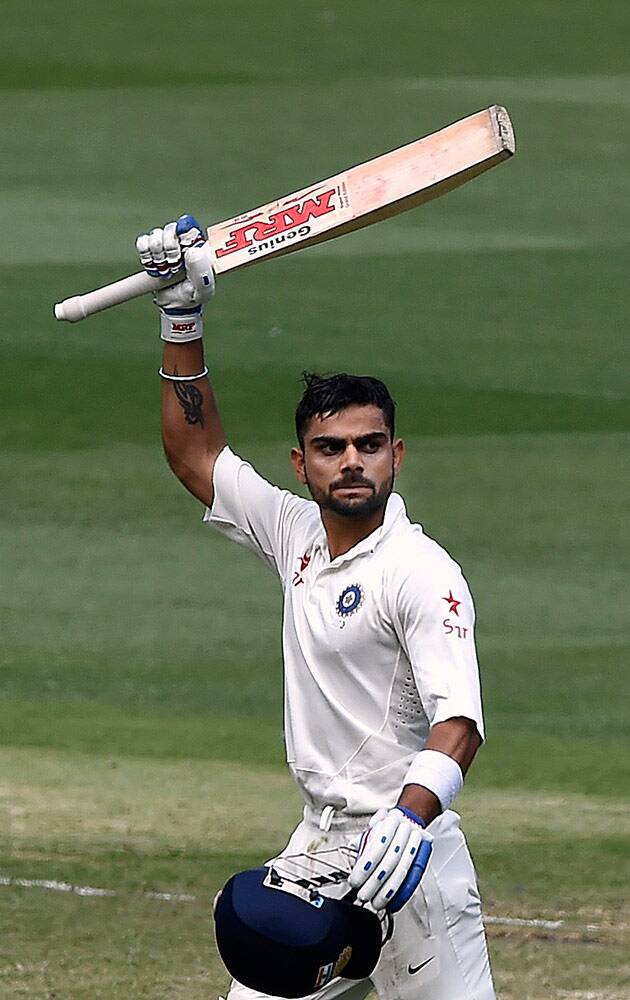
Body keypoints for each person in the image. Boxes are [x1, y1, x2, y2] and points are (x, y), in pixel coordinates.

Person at [136, 216, 496, 1000]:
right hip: (319, 859)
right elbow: (194, 454)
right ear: (302, 465)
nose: (353, 462)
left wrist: (408, 818)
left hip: (412, 865)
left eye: (370, 445)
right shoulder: (295, 533)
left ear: (396, 454)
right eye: (332, 449)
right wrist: (181, 319)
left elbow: (459, 724)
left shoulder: (420, 571)